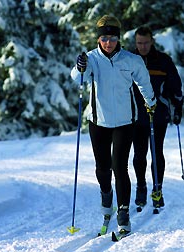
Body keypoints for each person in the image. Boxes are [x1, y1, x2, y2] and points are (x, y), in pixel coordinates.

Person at [71, 15, 156, 233]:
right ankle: (107, 196)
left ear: (118, 39)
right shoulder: (91, 58)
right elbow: (77, 76)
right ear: (98, 39)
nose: (108, 42)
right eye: (104, 38)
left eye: (112, 38)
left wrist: (151, 102)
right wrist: (79, 66)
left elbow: (144, 82)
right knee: (102, 169)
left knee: (120, 167)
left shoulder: (130, 60)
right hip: (98, 122)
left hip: (125, 122)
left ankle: (124, 211)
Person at [132, 25, 184, 208]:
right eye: (139, 43)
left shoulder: (163, 61)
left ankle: (157, 189)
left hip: (158, 114)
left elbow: (175, 87)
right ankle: (141, 187)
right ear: (135, 42)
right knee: (139, 154)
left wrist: (178, 107)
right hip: (135, 115)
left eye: (146, 42)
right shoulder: (129, 60)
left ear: (152, 41)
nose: (143, 46)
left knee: (156, 152)